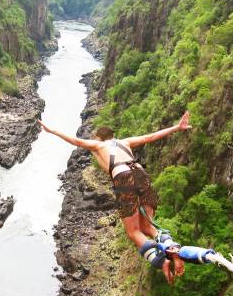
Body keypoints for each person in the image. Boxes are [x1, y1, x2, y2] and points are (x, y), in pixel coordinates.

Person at [38, 111, 192, 284]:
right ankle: (174, 252)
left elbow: (75, 141)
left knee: (133, 232)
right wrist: (178, 127)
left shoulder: (99, 146)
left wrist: (52, 131)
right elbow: (152, 136)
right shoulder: (125, 142)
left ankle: (162, 262)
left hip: (123, 177)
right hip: (141, 174)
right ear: (113, 136)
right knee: (148, 228)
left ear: (98, 138)